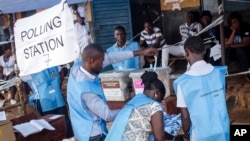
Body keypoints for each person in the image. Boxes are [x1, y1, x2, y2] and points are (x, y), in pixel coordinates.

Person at [67, 43, 158, 141]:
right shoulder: (87, 91)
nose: (103, 65)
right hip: (94, 134)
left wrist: (142, 52)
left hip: (80, 127)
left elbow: (111, 58)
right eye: (101, 62)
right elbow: (107, 115)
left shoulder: (77, 68)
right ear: (92, 61)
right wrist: (133, 109)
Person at [173, 36, 230, 141]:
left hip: (201, 134)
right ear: (204, 51)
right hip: (223, 129)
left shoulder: (183, 82)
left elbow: (185, 117)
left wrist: (186, 135)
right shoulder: (220, 73)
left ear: (186, 53)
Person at [105, 71, 166, 141]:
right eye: (160, 99)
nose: (159, 103)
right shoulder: (154, 106)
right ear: (157, 92)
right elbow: (159, 138)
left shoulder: (135, 99)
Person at [21, 66, 74, 139]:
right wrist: (58, 86)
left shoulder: (29, 70)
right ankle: (67, 138)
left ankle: (66, 137)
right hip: (51, 99)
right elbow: (61, 72)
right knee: (59, 122)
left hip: (48, 100)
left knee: (54, 124)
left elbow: (22, 79)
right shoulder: (51, 64)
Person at [225, 12, 250, 76]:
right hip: (232, 52)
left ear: (240, 21)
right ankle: (224, 73)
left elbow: (246, 43)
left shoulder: (245, 26)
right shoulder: (228, 29)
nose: (235, 24)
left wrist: (233, 46)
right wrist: (233, 32)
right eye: (233, 23)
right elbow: (227, 44)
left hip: (244, 50)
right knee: (226, 52)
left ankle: (246, 73)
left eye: (236, 22)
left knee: (240, 50)